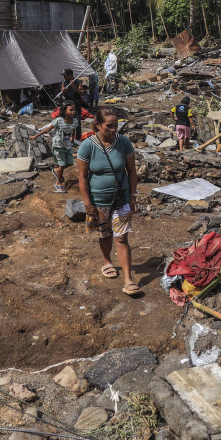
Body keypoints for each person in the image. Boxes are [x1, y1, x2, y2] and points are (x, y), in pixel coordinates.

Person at [77, 108, 142, 296]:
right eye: (109, 126)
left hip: (121, 198)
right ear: (97, 125)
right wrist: (87, 203)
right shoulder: (87, 146)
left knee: (121, 238)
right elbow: (82, 177)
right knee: (105, 234)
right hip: (98, 200)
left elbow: (132, 171)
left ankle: (128, 280)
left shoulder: (123, 142)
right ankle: (107, 261)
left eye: (116, 125)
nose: (114, 130)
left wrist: (133, 196)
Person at [30, 100, 77, 193]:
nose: (73, 112)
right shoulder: (59, 120)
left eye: (74, 110)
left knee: (70, 163)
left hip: (67, 145)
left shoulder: (75, 121)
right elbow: (47, 129)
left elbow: (73, 128)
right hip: (58, 144)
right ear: (64, 111)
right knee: (62, 164)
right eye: (71, 110)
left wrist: (72, 137)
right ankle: (58, 183)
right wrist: (36, 136)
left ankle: (57, 170)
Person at [61, 68, 86, 139]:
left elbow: (82, 92)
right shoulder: (64, 82)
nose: (64, 77)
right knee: (66, 120)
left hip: (76, 103)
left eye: (65, 76)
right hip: (67, 104)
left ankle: (78, 137)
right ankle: (66, 136)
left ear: (70, 75)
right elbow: (62, 94)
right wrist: (63, 91)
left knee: (77, 121)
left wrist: (74, 87)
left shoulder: (78, 82)